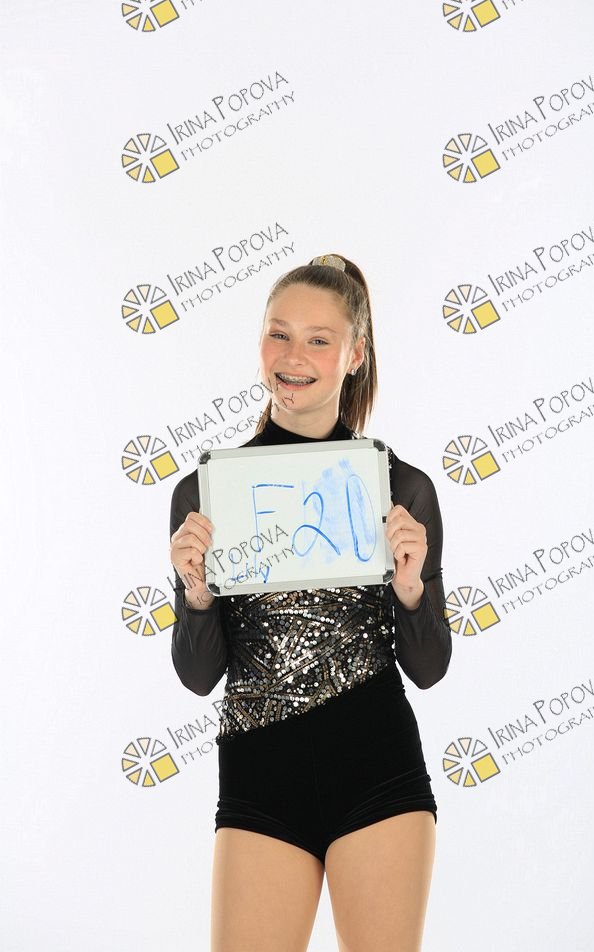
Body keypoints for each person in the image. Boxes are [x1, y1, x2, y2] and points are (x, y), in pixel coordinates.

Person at [169, 253, 452, 952]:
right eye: (279, 334)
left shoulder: (401, 489)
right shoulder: (207, 493)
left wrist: (411, 588)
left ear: (355, 354)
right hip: (259, 776)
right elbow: (199, 677)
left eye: (318, 340)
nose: (293, 357)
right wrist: (197, 593)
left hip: (377, 769)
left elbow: (428, 668)